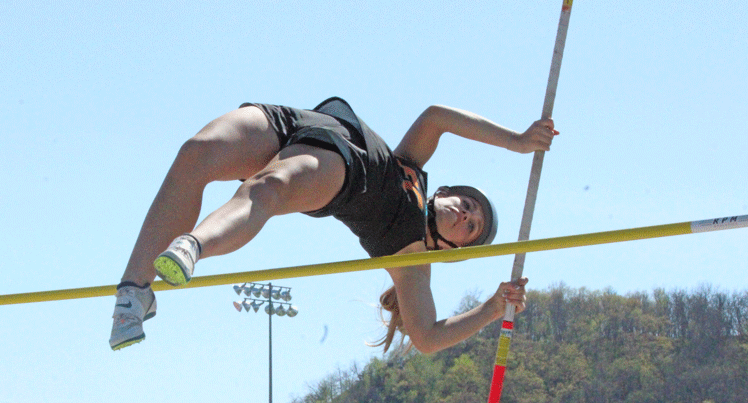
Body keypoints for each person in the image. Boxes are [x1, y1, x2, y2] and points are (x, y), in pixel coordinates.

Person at [110, 97, 557, 353]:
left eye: (471, 227)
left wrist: (492, 309)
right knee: (196, 152)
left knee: (269, 188)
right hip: (299, 123)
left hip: (343, 173)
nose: (465, 215)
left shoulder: (412, 259)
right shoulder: (413, 166)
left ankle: (193, 246)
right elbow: (437, 116)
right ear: (447, 193)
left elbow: (425, 337)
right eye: (469, 204)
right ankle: (134, 294)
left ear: (452, 248)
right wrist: (516, 142)